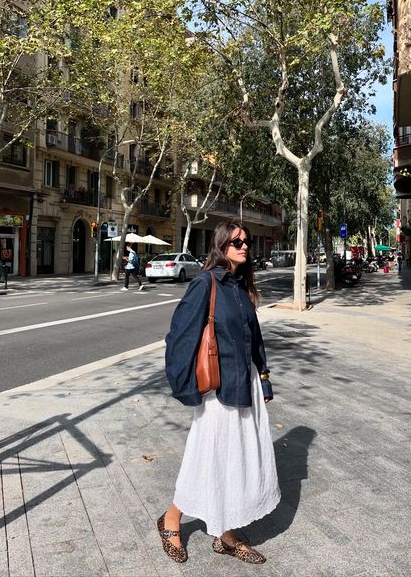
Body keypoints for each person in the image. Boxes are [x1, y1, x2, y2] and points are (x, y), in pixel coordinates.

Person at [158, 221, 280, 565]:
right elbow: (179, 337)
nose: (244, 246)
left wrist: (265, 378)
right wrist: (185, 387)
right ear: (221, 245)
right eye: (236, 241)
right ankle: (171, 520)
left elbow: (254, 338)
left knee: (237, 459)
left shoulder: (241, 287)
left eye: (247, 241)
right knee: (207, 457)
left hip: (247, 386)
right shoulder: (205, 283)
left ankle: (224, 532)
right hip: (218, 390)